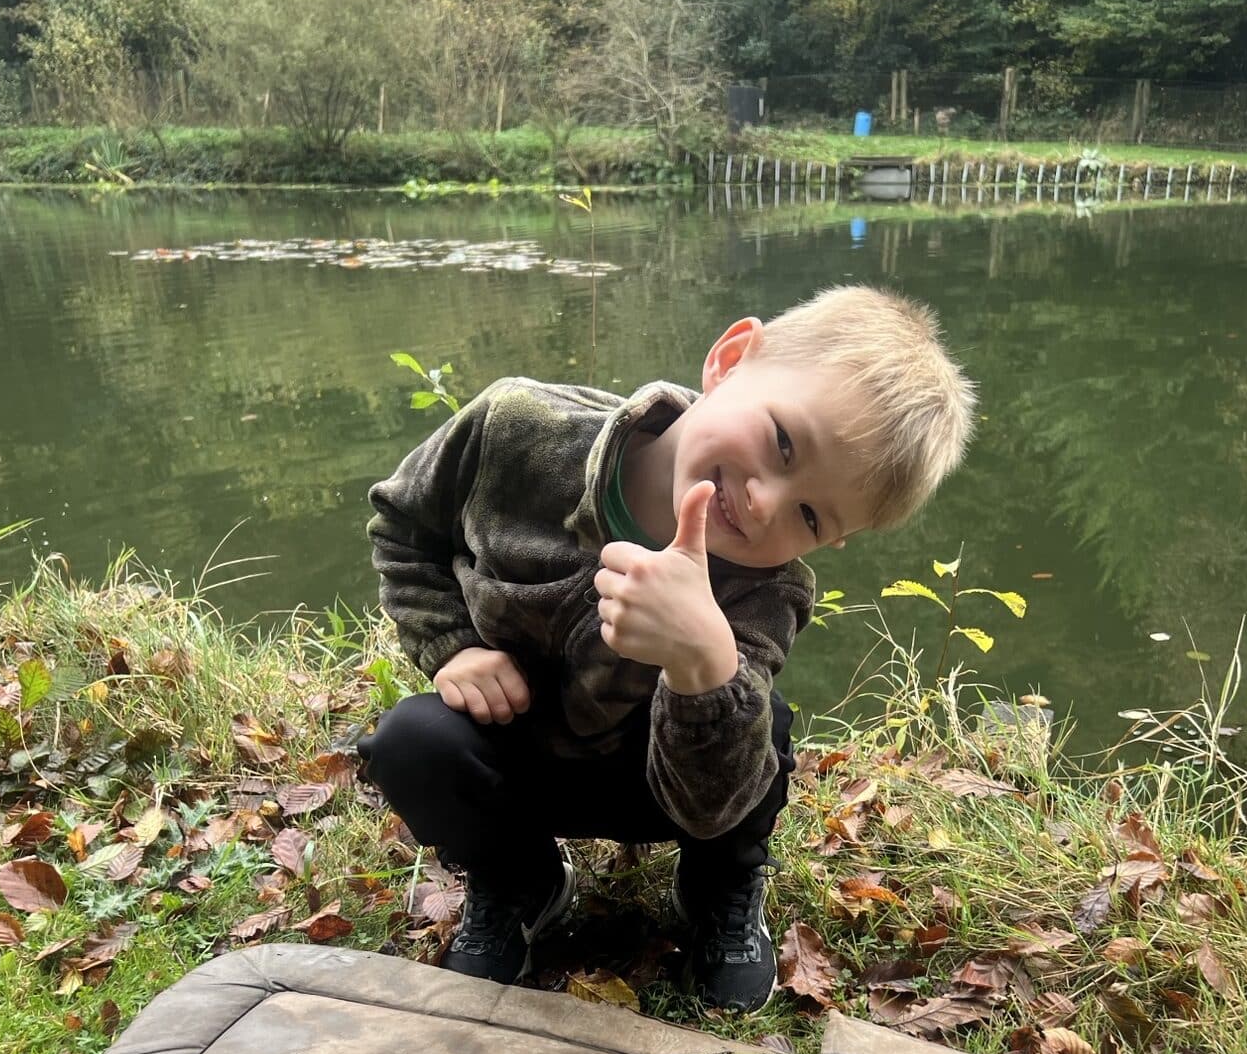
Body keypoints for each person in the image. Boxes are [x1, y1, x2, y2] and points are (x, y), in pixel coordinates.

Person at [358, 284, 976, 1012]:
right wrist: (453, 647)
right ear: (732, 358)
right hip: (516, 755)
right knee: (411, 740)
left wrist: (702, 665)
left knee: (759, 721)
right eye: (782, 442)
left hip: (657, 788)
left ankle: (719, 890)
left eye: (809, 514)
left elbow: (713, 800)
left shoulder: (764, 593)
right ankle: (519, 878)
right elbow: (404, 527)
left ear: (830, 540)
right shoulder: (515, 430)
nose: (766, 501)